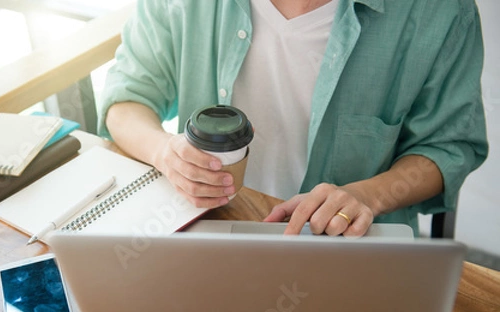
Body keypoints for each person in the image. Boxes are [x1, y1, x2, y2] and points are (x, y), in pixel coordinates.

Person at [97, 0, 488, 236]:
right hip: (205, 230)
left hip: (351, 249)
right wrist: (165, 152)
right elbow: (126, 99)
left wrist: (368, 194)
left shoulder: (440, 12)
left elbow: (448, 146)